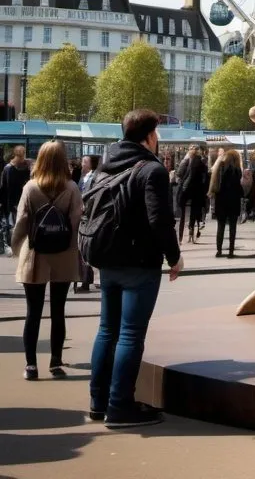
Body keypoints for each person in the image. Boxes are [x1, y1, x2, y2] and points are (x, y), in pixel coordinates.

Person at [87, 109, 183, 428]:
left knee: (107, 331)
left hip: (106, 260)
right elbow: (159, 220)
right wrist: (174, 257)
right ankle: (119, 407)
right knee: (129, 335)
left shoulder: (107, 164)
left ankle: (98, 402)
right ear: (150, 136)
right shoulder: (151, 170)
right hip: (138, 263)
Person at [11, 140, 83, 380]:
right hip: (62, 253)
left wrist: (16, 247)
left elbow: (21, 222)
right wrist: (72, 250)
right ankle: (55, 362)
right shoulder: (72, 188)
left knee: (33, 312)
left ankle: (31, 365)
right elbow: (75, 223)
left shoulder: (30, 188)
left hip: (36, 254)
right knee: (58, 311)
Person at [210, 148, 243, 258]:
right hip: (233, 201)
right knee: (232, 227)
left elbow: (216, 183)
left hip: (221, 200)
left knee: (220, 226)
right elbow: (238, 187)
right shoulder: (237, 170)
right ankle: (231, 251)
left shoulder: (220, 167)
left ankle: (219, 251)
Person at [75, 155, 101, 293]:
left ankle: (90, 280)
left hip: (88, 217)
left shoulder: (94, 177)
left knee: (86, 248)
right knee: (83, 249)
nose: (82, 164)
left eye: (85, 162)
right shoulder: (83, 176)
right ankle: (86, 280)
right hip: (83, 216)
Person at [176, 145, 208, 243]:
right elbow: (205, 176)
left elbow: (179, 174)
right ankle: (192, 230)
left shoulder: (185, 161)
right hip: (197, 191)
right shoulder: (202, 162)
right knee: (194, 211)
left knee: (182, 213)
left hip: (186, 190)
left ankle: (180, 236)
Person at [1, 145, 31, 245]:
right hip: (13, 203)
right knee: (13, 225)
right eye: (22, 156)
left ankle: (15, 243)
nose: (23, 158)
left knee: (16, 225)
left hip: (17, 202)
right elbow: (8, 188)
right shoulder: (10, 169)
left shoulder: (22, 167)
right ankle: (13, 244)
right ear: (17, 156)